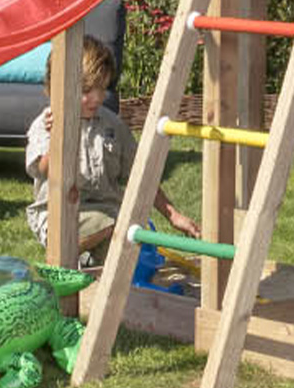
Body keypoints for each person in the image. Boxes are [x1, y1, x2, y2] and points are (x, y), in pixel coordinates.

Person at [25, 38, 199, 263]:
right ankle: (61, 255)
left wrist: (173, 215)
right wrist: (58, 135)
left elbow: (140, 175)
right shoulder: (46, 124)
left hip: (108, 216)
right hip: (60, 218)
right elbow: (42, 169)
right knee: (122, 224)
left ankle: (87, 261)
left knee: (133, 253)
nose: (97, 98)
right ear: (56, 89)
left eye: (102, 88)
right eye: (87, 90)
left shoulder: (112, 126)